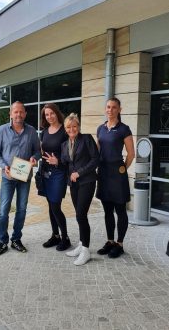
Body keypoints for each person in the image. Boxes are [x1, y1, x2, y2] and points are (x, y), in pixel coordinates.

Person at [0, 101, 41, 256]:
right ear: (10, 114)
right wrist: (3, 165)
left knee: (21, 209)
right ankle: (2, 241)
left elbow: (37, 151)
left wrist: (34, 158)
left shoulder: (31, 131)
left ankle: (16, 239)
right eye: (15, 112)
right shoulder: (2, 131)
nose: (18, 114)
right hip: (8, 176)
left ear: (25, 114)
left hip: (24, 177)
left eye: (21, 112)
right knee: (4, 210)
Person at [96, 97, 135, 258]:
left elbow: (131, 154)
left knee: (120, 210)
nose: (110, 110)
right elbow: (97, 150)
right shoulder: (101, 129)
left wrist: (122, 168)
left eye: (113, 107)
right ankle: (110, 241)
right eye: (108, 107)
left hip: (117, 175)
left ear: (119, 109)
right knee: (107, 211)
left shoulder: (124, 129)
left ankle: (119, 244)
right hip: (103, 173)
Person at [61, 113, 98, 265]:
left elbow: (96, 159)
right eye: (69, 127)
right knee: (78, 215)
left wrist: (79, 172)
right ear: (65, 129)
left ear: (79, 126)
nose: (72, 129)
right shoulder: (64, 145)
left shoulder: (87, 139)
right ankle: (82, 244)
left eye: (74, 126)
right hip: (74, 184)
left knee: (81, 214)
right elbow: (66, 163)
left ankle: (86, 251)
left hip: (87, 181)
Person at [39, 103, 71, 251]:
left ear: (57, 113)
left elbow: (71, 155)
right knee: (50, 206)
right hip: (46, 172)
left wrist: (58, 160)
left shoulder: (65, 131)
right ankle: (55, 235)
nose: (49, 116)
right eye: (46, 114)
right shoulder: (44, 131)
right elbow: (41, 150)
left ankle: (65, 238)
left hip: (59, 172)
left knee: (55, 205)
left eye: (51, 113)